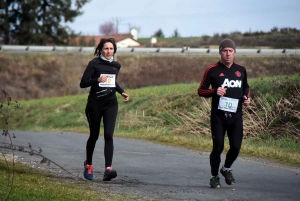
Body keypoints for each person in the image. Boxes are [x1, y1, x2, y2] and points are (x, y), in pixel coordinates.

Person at [197, 38, 251, 188]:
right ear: (220, 52)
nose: (228, 54)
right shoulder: (212, 70)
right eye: (225, 51)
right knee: (218, 147)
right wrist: (215, 91)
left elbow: (246, 87)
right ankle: (214, 176)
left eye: (230, 51)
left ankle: (226, 168)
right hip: (218, 116)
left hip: (236, 116)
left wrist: (247, 98)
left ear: (234, 52)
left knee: (235, 147)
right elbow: (201, 90)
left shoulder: (241, 70)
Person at [80, 38, 129, 181]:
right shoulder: (94, 63)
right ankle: (88, 164)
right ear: (101, 49)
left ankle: (108, 169)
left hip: (111, 103)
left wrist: (122, 92)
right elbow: (83, 83)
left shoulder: (116, 65)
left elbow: (113, 82)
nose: (109, 51)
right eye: (106, 49)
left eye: (111, 49)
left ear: (114, 50)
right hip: (95, 103)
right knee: (94, 135)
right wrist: (96, 80)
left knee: (109, 135)